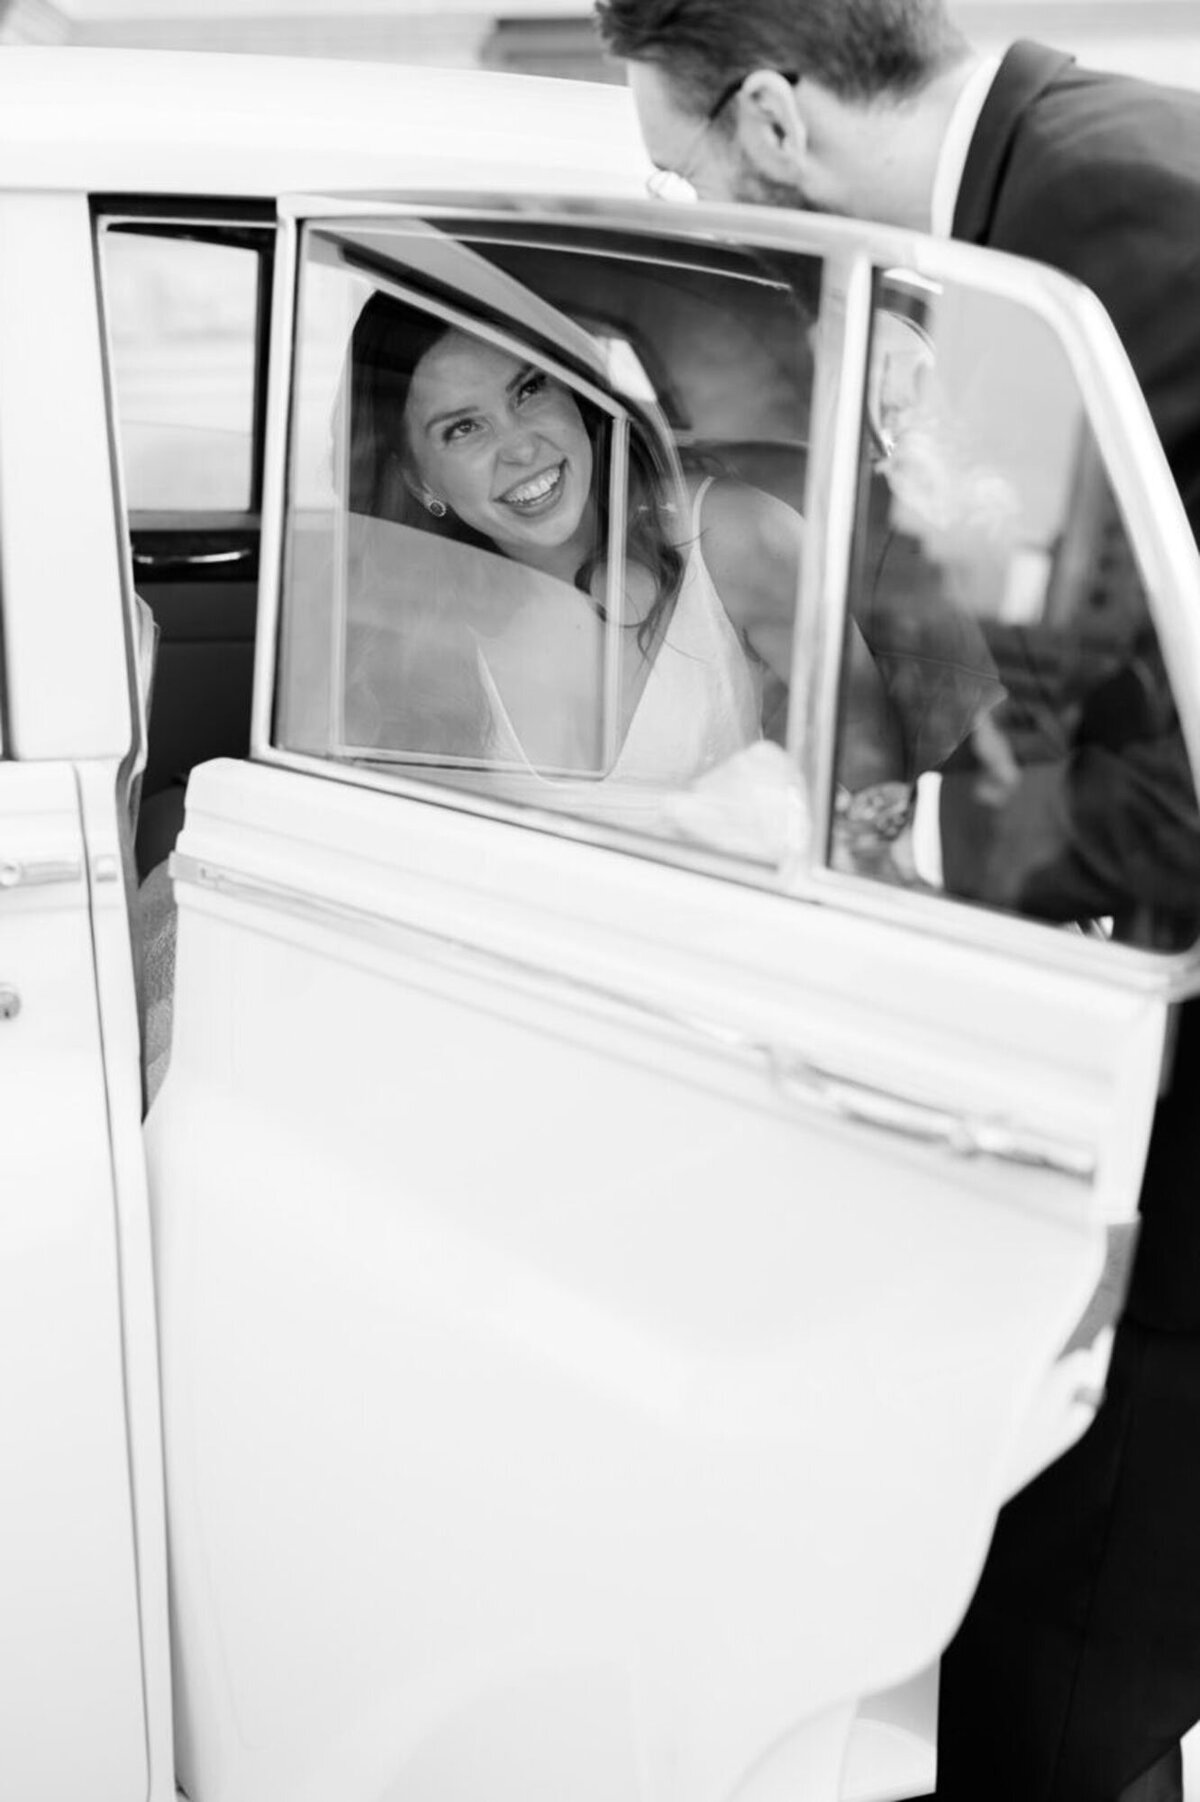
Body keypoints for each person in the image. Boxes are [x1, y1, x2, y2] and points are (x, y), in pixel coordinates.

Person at [593, 3, 1200, 1798]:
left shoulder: (1097, 249)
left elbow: (1173, 797)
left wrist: (865, 831)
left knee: (1040, 1696)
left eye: (681, 165)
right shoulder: (1054, 188)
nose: (700, 204)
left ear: (773, 118)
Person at [343, 293, 904, 798]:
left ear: (575, 393)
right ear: (420, 481)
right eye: (464, 428)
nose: (520, 448)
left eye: (530, 389)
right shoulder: (409, 621)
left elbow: (862, 754)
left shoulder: (733, 536)